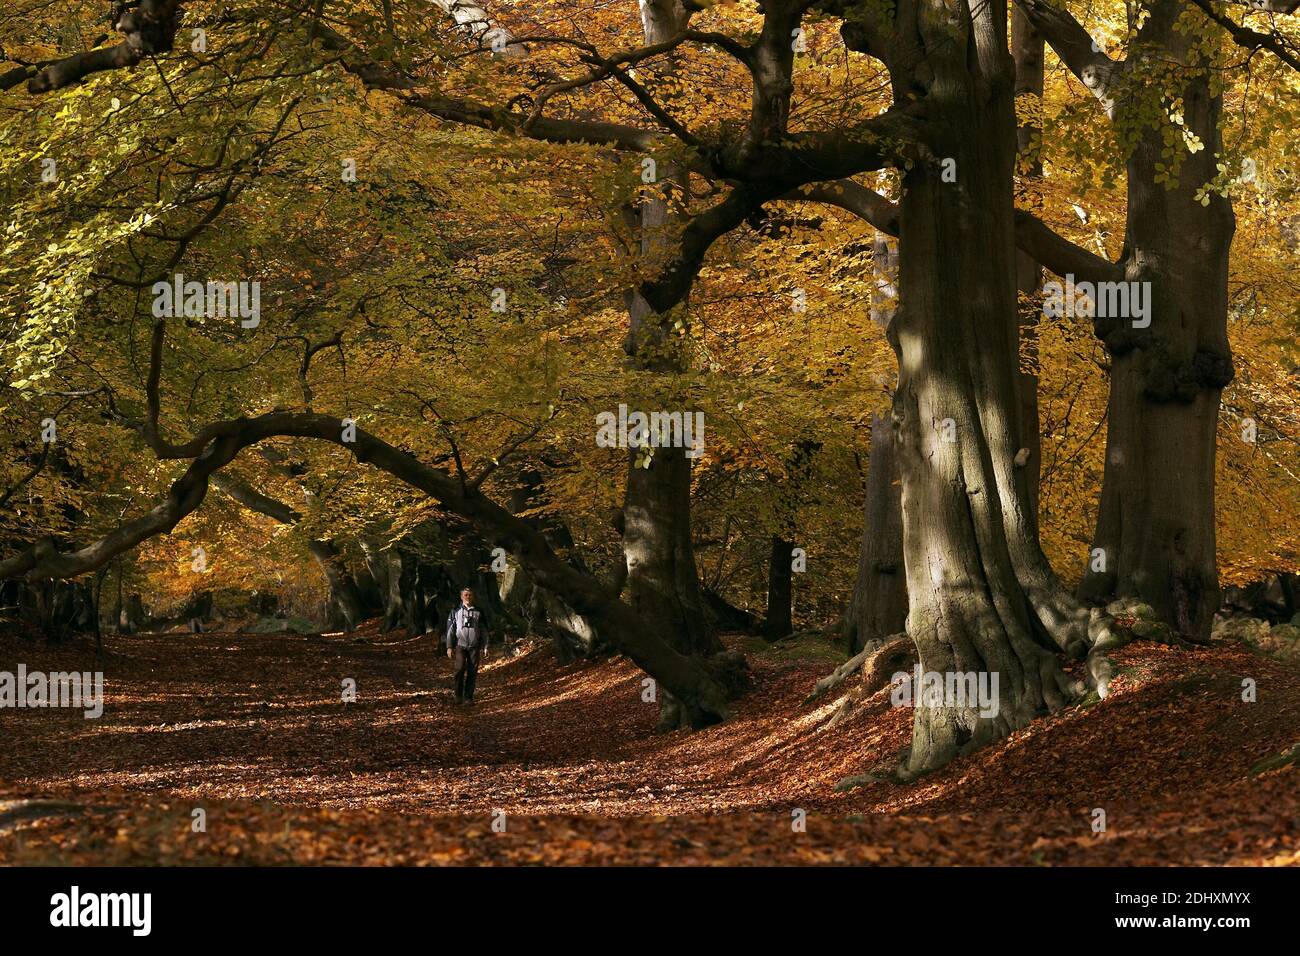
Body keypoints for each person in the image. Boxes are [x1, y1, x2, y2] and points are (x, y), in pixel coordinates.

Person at [445, 587, 491, 704]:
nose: (468, 597)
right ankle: (458, 695)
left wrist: (486, 646)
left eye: (470, 595)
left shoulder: (479, 611)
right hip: (460, 646)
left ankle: (468, 697)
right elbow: (450, 630)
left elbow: (484, 630)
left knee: (472, 671)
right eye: (465, 595)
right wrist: (449, 646)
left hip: (474, 647)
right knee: (459, 670)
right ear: (461, 597)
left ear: (473, 597)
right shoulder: (455, 611)